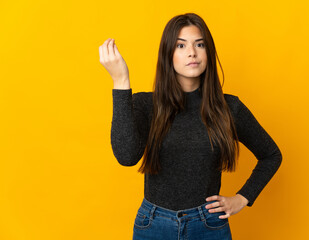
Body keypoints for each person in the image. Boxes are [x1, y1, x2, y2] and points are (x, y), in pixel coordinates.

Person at [99, 12, 282, 240]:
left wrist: (243, 197)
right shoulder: (146, 104)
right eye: (181, 46)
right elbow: (126, 157)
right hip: (154, 226)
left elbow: (271, 154)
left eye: (200, 44)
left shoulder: (228, 107)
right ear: (168, 54)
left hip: (208, 227)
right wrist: (121, 82)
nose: (192, 53)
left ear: (209, 52)